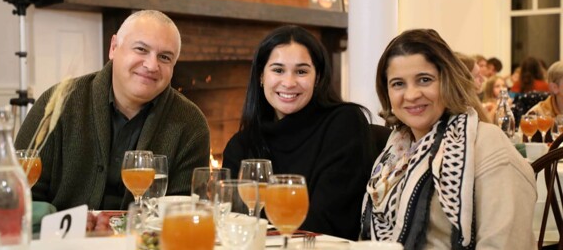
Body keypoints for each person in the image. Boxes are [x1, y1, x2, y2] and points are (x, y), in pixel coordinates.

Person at [15, 10, 210, 211]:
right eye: (141, 49)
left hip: (145, 241)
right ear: (114, 47)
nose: (152, 65)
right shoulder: (59, 103)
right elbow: (20, 194)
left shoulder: (191, 124)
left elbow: (183, 212)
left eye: (165, 57)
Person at [361, 29, 536, 249]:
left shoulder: (486, 145)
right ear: (386, 92)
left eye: (424, 80)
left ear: (447, 81)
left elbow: (505, 243)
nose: (412, 94)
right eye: (398, 84)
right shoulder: (395, 151)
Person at [222, 25, 377, 240]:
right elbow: (230, 226)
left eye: (301, 71)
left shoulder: (344, 123)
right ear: (261, 76)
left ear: (318, 77)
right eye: (278, 70)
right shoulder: (241, 145)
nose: (288, 82)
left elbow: (328, 224)